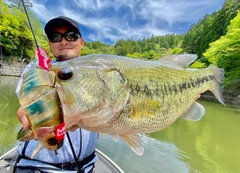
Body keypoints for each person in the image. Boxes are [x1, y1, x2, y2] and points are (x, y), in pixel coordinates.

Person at [14, 16, 99, 173]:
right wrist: (34, 124)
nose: (64, 41)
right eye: (56, 37)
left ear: (82, 42)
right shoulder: (37, 70)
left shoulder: (98, 71)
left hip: (86, 167)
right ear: (50, 44)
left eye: (71, 35)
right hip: (36, 167)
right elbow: (23, 109)